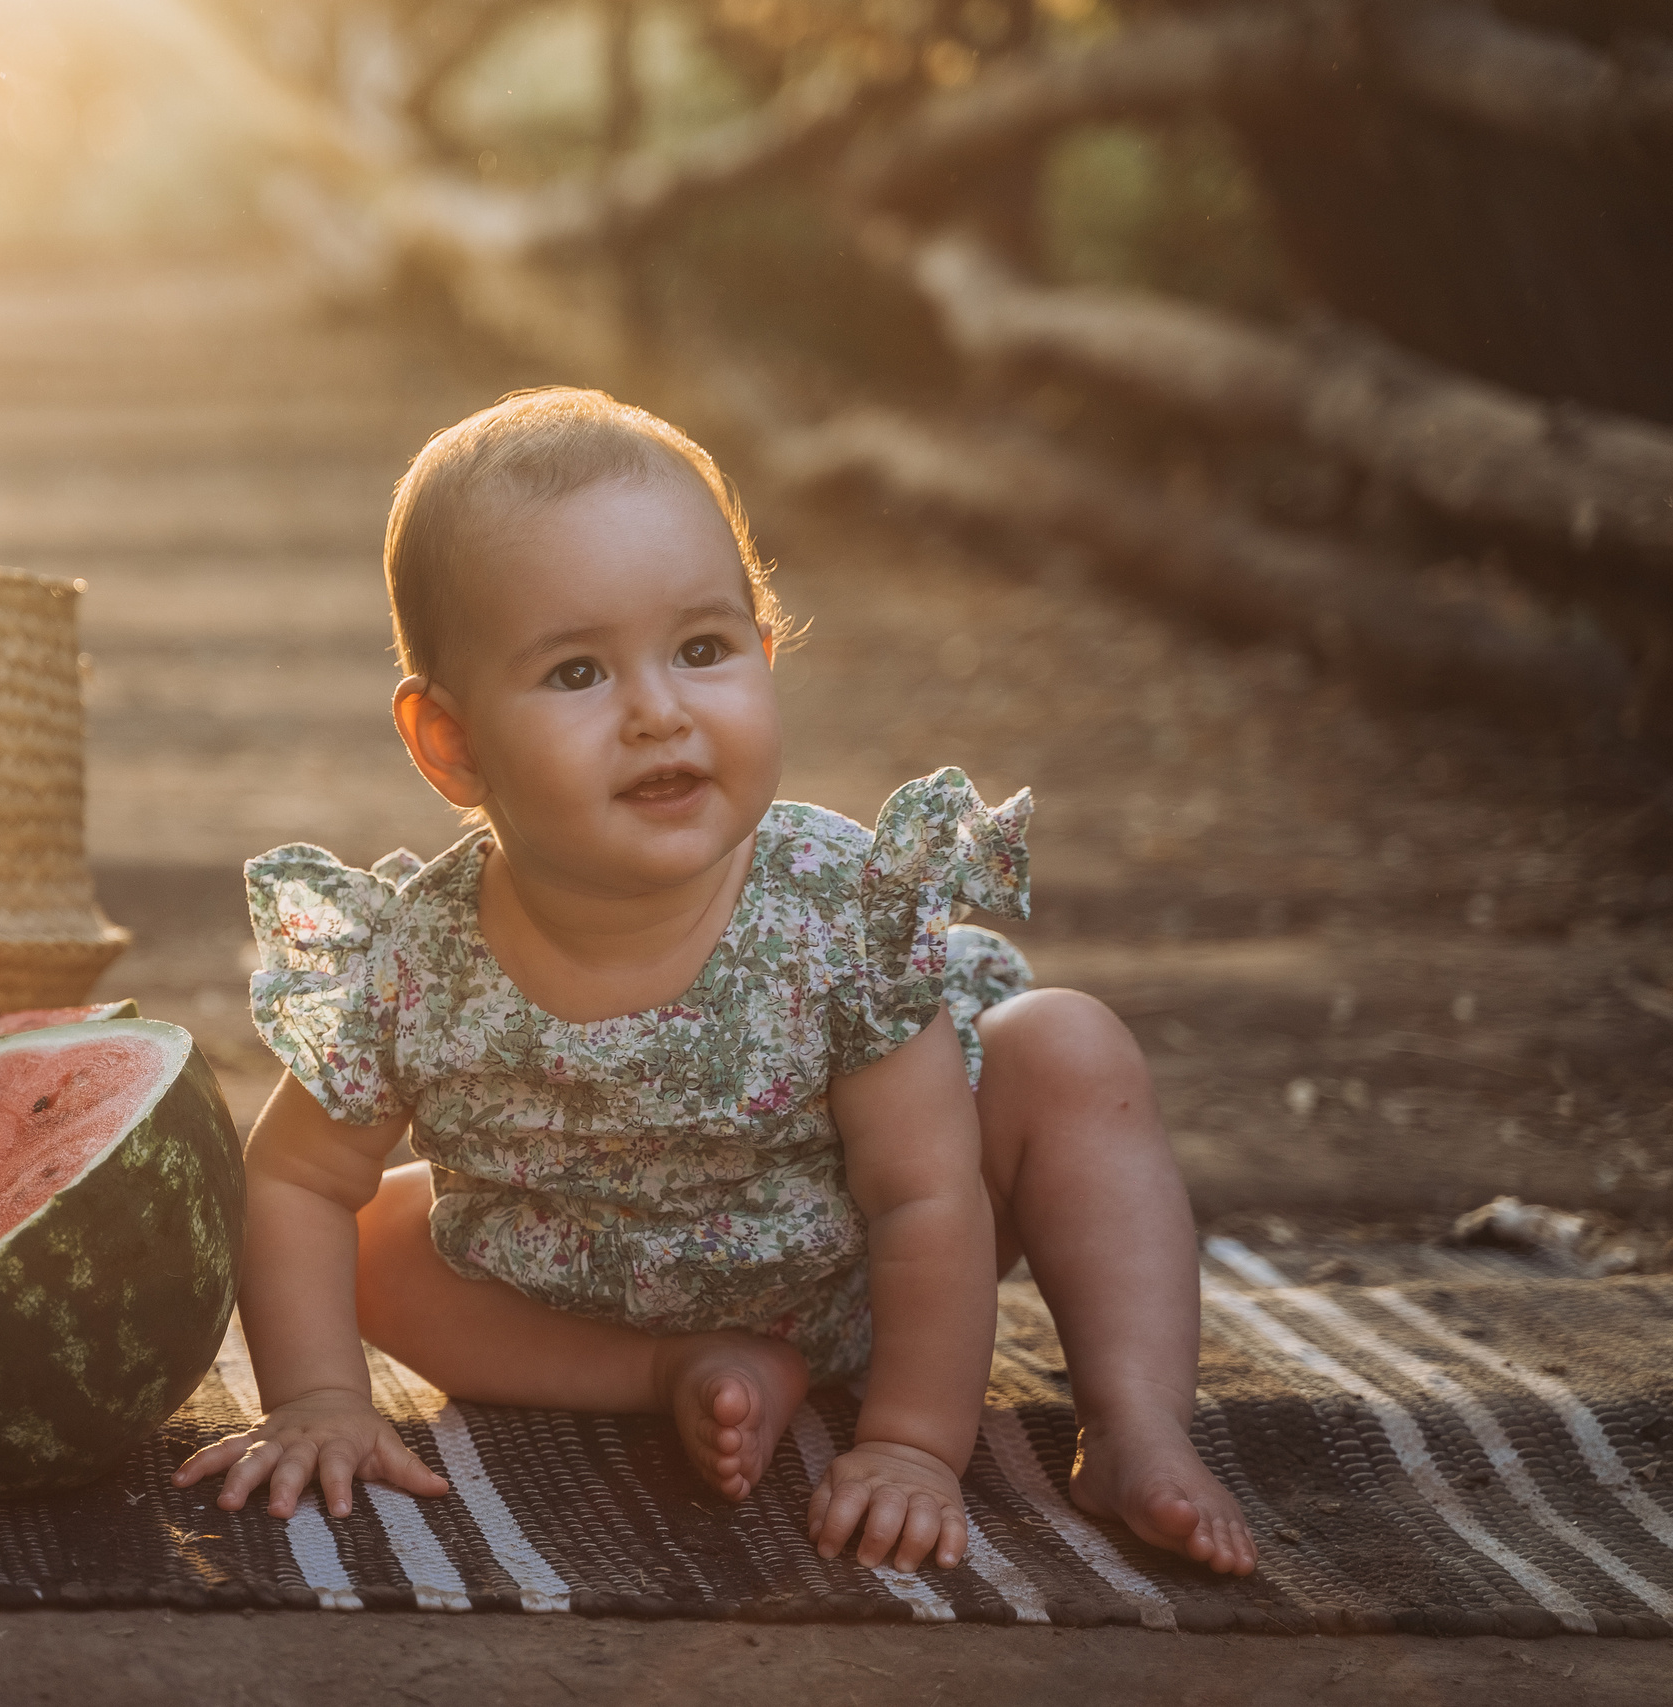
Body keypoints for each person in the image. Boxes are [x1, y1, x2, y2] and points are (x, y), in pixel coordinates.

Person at [172, 388, 1256, 1578]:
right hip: (575, 1297)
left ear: (763, 650)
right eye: (577, 672)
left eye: (701, 650)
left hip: (861, 1271)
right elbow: (291, 1178)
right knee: (362, 1234)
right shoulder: (414, 961)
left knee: (1068, 1049)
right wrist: (321, 1397)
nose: (657, 712)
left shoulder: (835, 910)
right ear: (452, 745)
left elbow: (925, 1196)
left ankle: (1138, 1422)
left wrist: (910, 1447)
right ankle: (674, 1372)